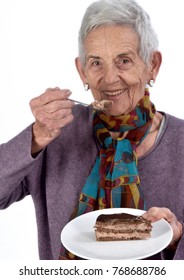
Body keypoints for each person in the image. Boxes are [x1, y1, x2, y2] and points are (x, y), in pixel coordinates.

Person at [0, 0, 183, 260]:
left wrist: (174, 241)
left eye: (124, 60)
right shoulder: (56, 132)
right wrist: (36, 137)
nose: (109, 79)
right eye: (96, 63)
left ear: (152, 65)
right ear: (82, 71)